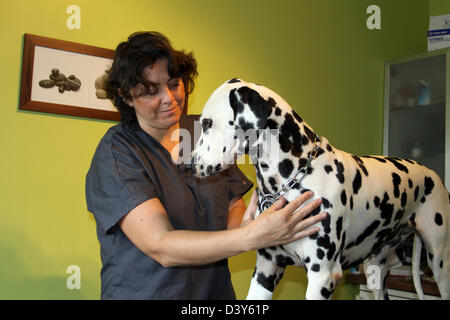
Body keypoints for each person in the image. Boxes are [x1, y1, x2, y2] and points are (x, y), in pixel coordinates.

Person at [85, 31, 327, 300]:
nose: (169, 98)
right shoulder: (117, 154)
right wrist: (251, 237)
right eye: (151, 91)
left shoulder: (203, 131)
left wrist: (257, 226)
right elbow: (161, 246)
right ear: (126, 97)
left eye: (174, 83)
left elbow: (234, 205)